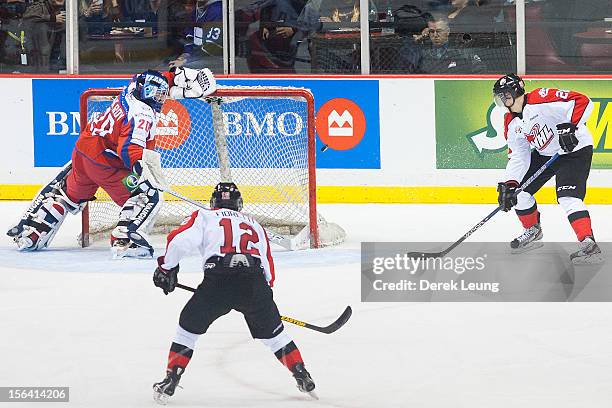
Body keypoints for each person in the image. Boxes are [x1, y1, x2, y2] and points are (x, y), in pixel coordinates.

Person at [6, 67, 217, 258]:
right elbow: (129, 150)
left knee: (69, 195)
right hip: (107, 167)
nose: (163, 99)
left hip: (82, 153)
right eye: (160, 95)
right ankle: (125, 240)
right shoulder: (143, 114)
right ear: (150, 94)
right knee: (146, 194)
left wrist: (174, 77)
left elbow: (152, 80)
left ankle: (33, 233)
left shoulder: (133, 88)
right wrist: (141, 170)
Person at [152, 182, 316, 404]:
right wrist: (262, 299)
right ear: (239, 204)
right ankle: (302, 374)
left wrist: (166, 267)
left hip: (218, 281)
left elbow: (179, 240)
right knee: (276, 336)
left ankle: (171, 379)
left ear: (213, 202)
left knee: (187, 330)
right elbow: (267, 264)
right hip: (254, 282)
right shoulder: (254, 224)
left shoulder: (204, 216)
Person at [493, 73, 603, 264]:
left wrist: (571, 126)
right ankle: (533, 231)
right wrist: (510, 182)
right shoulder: (511, 122)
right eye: (499, 96)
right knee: (519, 193)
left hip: (575, 150)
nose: (503, 100)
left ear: (517, 90)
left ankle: (589, 245)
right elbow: (519, 155)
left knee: (568, 197)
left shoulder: (540, 98)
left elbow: (582, 101)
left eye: (506, 94)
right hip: (547, 154)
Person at [413, 13, 485, 74]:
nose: (435, 35)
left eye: (439, 31)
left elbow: (480, 71)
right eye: (432, 31)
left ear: (448, 31)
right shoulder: (422, 51)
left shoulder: (462, 50)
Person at [168, 0, 222, 71]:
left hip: (216, 64)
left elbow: (210, 50)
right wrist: (182, 58)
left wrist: (185, 61)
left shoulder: (218, 10)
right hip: (198, 60)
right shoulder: (195, 11)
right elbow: (189, 43)